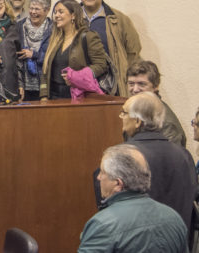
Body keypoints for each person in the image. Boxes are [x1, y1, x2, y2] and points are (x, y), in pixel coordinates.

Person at [78, 144, 187, 252]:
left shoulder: (101, 225)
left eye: (102, 172)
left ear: (118, 183)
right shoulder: (174, 218)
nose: (98, 177)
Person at [120, 92, 197, 231]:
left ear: (138, 121)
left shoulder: (123, 156)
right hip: (177, 241)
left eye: (124, 113)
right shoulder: (184, 155)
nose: (121, 117)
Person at [80, 0, 141, 96]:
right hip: (78, 85)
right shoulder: (70, 17)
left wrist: (123, 72)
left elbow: (133, 50)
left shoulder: (118, 19)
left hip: (111, 88)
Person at [40, 0, 108, 100]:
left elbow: (101, 65)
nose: (56, 16)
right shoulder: (55, 39)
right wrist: (43, 95)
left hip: (78, 96)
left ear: (73, 15)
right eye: (55, 12)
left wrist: (77, 76)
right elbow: (45, 69)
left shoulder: (88, 36)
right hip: (53, 96)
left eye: (61, 12)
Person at [126, 60, 186, 146]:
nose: (135, 89)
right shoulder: (131, 112)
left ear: (156, 86)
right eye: (131, 84)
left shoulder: (167, 123)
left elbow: (170, 158)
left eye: (141, 84)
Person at [16, 0, 52, 101]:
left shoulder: (53, 29)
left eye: (37, 9)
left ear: (47, 10)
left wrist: (34, 55)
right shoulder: (19, 26)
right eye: (31, 8)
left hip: (46, 84)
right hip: (24, 85)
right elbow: (15, 58)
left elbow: (54, 57)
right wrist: (19, 84)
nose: (33, 12)